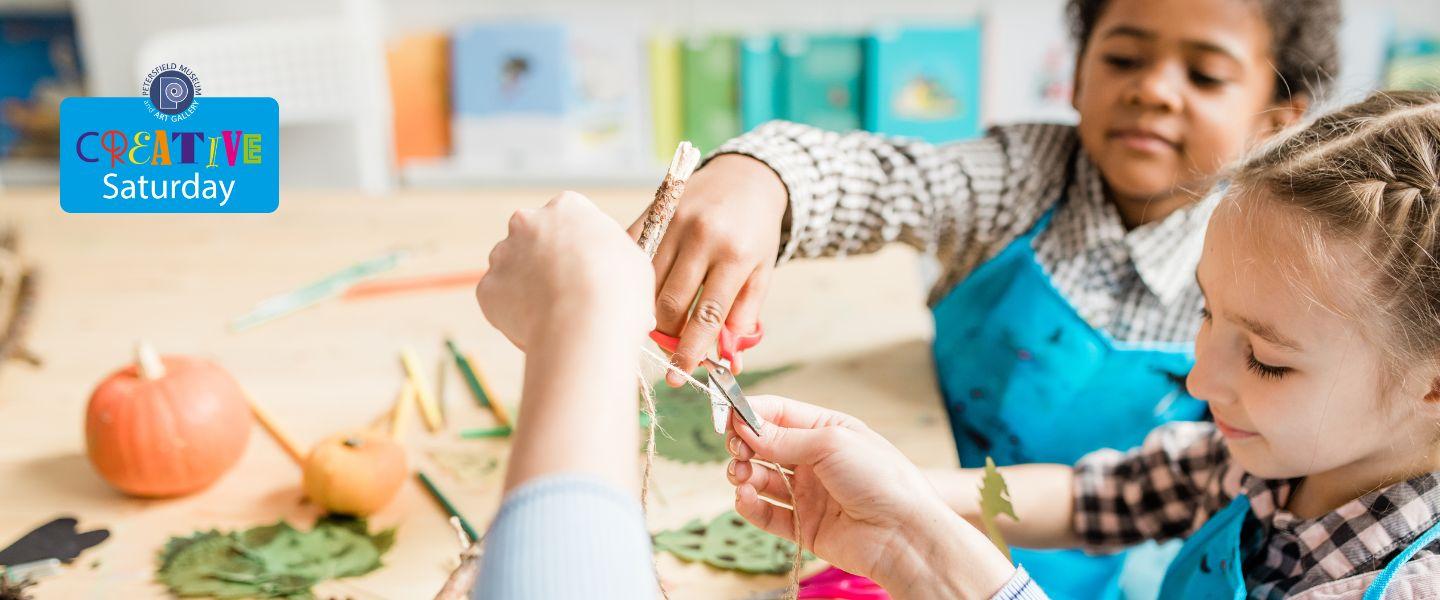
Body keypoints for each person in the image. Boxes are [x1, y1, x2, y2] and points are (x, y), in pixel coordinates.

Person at [630, 0, 1340, 594]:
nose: (1153, 89)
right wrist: (762, 177)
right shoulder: (1022, 176)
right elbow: (880, 178)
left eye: (1205, 73)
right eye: (1123, 58)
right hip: (875, 504)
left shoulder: (1252, 276)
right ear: (1076, 76)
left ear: (1274, 122)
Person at [724, 90, 1440, 598]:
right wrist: (907, 488)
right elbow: (1097, 497)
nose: (1199, 381)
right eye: (1207, 313)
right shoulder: (1277, 460)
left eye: (1266, 360)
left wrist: (924, 553)